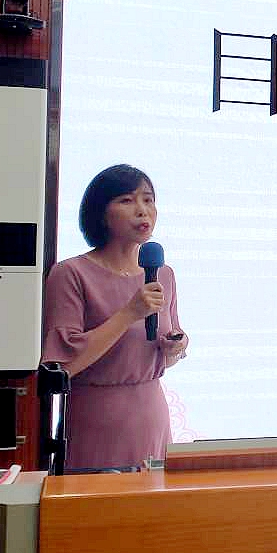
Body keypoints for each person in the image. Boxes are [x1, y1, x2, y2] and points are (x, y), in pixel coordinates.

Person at [41, 164, 188, 471]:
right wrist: (129, 314)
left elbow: (163, 357)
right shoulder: (70, 274)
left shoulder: (163, 274)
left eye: (148, 199)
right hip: (96, 423)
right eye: (126, 200)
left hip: (152, 419)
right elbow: (64, 366)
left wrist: (175, 347)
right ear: (101, 213)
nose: (142, 210)